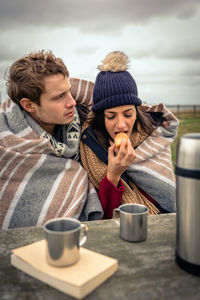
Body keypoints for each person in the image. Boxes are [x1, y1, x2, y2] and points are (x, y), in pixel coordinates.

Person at [0, 50, 103, 230]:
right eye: (59, 97)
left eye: (69, 92)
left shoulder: (87, 120)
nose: (72, 102)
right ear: (28, 105)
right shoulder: (6, 143)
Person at [80, 51, 179, 219]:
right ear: (101, 117)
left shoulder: (153, 136)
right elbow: (103, 217)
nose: (121, 125)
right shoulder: (91, 147)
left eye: (128, 114)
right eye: (111, 116)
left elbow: (171, 197)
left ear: (137, 112)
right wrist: (113, 175)